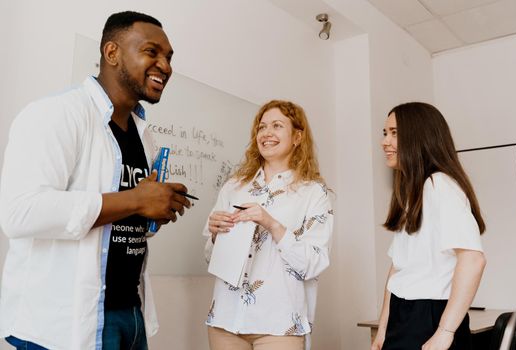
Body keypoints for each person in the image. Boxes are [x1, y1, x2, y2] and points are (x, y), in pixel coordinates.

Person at [0, 11, 191, 350]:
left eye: (169, 57)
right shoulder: (56, 114)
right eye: (152, 52)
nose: (165, 65)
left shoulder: (146, 138)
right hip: (61, 326)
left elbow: (118, 220)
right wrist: (136, 200)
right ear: (112, 52)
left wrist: (151, 214)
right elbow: (19, 213)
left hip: (130, 315)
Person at [203, 100, 333, 350]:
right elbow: (210, 258)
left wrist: (271, 224)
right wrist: (215, 235)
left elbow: (313, 263)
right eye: (262, 127)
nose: (266, 133)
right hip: (226, 319)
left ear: (297, 137)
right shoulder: (234, 186)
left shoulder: (313, 192)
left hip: (280, 323)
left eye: (277, 125)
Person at [372, 102, 487, 350]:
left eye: (394, 133)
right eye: (385, 133)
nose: (385, 142)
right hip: (405, 313)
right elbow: (397, 269)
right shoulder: (413, 191)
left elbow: (473, 259)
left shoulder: (439, 185)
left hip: (428, 315)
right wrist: (383, 328)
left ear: (418, 137)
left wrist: (445, 332)